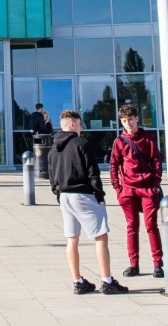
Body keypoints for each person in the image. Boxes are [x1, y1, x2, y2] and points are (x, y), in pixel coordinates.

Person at [47, 110, 127, 295]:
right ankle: (107, 280)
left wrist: (58, 194)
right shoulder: (82, 144)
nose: (81, 128)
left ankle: (77, 281)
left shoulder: (53, 150)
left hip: (65, 196)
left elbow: (52, 177)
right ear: (73, 125)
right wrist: (99, 195)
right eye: (80, 124)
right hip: (83, 194)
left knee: (72, 238)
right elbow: (93, 172)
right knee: (100, 236)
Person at [109, 103, 164, 278]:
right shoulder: (119, 141)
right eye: (124, 121)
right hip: (128, 190)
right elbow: (113, 165)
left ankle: (157, 264)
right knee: (132, 227)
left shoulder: (148, 139)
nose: (128, 124)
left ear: (137, 119)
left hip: (147, 188)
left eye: (130, 120)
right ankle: (134, 264)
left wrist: (155, 184)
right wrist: (118, 189)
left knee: (151, 226)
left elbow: (156, 161)